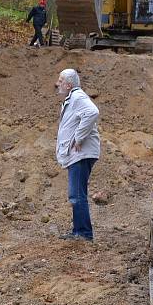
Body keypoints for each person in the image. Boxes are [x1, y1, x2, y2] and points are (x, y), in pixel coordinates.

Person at [54, 69, 100, 241]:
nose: (57, 84)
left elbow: (92, 112)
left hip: (81, 154)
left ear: (68, 84)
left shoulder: (77, 97)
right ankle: (79, 231)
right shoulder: (72, 99)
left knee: (77, 194)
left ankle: (83, 233)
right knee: (77, 194)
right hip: (78, 154)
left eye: (60, 81)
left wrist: (79, 138)